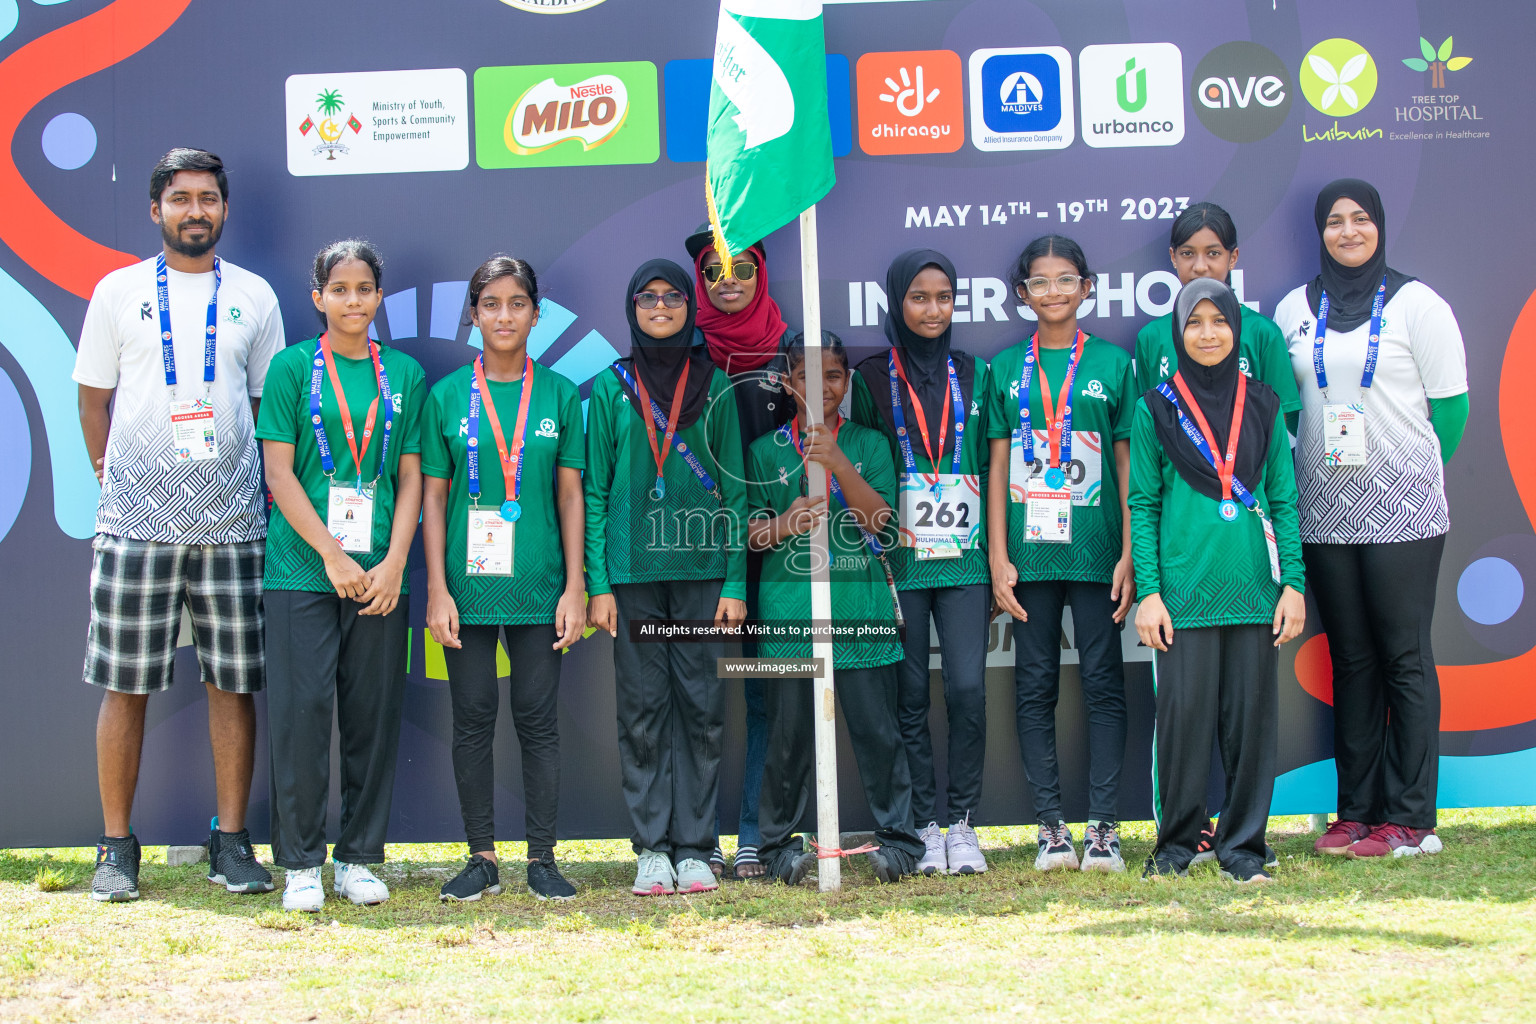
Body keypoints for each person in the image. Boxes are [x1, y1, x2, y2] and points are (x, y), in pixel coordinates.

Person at [74, 148, 284, 902]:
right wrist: (112, 477)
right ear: (155, 210)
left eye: (207, 199)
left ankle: (229, 841)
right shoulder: (118, 291)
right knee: (124, 684)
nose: (194, 210)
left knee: (233, 683)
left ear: (225, 211)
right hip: (135, 523)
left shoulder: (255, 296)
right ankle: (115, 847)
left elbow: (269, 410)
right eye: (180, 198)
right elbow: (93, 399)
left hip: (232, 523)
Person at [1272, 179, 1469, 859]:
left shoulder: (1419, 305)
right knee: (1351, 662)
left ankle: (1412, 819)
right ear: (1320, 232)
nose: (1348, 231)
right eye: (1334, 221)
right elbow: (1291, 411)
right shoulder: (1295, 306)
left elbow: (1451, 413)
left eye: (1360, 219)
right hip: (1324, 514)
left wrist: (1401, 474)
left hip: (1404, 511)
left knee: (1404, 659)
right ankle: (1356, 812)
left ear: (1380, 226)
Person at [256, 240, 426, 912]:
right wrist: (330, 552)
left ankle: (359, 858)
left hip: (382, 574)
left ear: (379, 297)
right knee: (300, 718)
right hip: (303, 569)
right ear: (318, 296)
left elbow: (412, 477)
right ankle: (300, 864)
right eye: (340, 288)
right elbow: (277, 473)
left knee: (373, 717)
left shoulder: (404, 375)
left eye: (365, 289)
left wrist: (393, 564)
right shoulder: (293, 369)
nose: (353, 300)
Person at [1135, 202, 1300, 866]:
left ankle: (1243, 847)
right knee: (1182, 726)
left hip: (1256, 591)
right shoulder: (1156, 409)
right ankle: (1176, 845)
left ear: (1237, 326)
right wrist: (1150, 593)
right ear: (1177, 331)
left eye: (1219, 321)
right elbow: (1141, 504)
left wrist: (1294, 584)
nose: (1207, 333)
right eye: (1193, 323)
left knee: (1251, 728)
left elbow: (1286, 503)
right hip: (1184, 591)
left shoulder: (1261, 406)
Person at [422, 257, 587, 903]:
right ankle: (481, 857)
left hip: (542, 589)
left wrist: (574, 586)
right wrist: (437, 588)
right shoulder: (444, 397)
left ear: (536, 315)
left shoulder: (559, 394)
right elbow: (434, 500)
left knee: (539, 722)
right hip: (465, 590)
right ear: (474, 314)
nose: (504, 315)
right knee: (471, 720)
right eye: (490, 303)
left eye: (517, 303)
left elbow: (571, 497)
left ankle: (542, 858)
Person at [585, 259, 749, 896]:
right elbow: (595, 491)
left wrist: (735, 583)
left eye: (672, 296)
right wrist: (598, 584)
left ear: (689, 306)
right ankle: (652, 847)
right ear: (631, 308)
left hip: (704, 574)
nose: (660, 307)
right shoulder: (611, 387)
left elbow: (737, 494)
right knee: (643, 709)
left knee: (704, 708)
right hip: (632, 576)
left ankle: (696, 846)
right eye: (647, 297)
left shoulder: (717, 384)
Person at [984, 236, 1135, 873]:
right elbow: (995, 467)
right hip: (1028, 557)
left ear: (1087, 287)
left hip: (1099, 553)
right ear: (1022, 293)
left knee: (1104, 684)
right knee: (1034, 686)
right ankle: (1051, 828)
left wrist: (1131, 551)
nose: (1053, 292)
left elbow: (1128, 465)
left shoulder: (1112, 363)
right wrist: (997, 554)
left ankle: (1103, 827)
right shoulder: (1002, 368)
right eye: (1040, 282)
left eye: (1066, 280)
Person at [750, 331, 924, 885]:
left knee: (879, 734)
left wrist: (838, 461)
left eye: (833, 376)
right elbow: (750, 536)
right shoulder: (762, 451)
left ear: (846, 382)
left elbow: (884, 526)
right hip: (789, 615)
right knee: (787, 738)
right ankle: (777, 847)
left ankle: (899, 842)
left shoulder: (870, 444)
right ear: (786, 381)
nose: (821, 387)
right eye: (807, 376)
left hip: (861, 609)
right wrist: (790, 521)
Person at [850, 249, 992, 875]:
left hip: (965, 560)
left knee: (966, 689)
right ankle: (924, 825)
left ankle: (962, 823)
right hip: (898, 561)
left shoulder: (976, 372)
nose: (933, 310)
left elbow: (994, 466)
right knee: (907, 695)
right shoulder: (868, 377)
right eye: (919, 297)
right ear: (896, 302)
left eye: (944, 297)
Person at [685, 224, 795, 880]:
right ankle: (696, 839)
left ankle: (759, 830)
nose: (729, 283)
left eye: (742, 271)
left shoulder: (790, 355)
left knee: (768, 695)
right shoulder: (686, 358)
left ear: (762, 276)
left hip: (778, 553)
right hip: (700, 553)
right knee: (694, 696)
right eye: (714, 272)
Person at [1135, 202, 1302, 424]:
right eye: (1187, 253)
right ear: (1173, 257)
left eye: (1213, 253)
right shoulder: (1152, 337)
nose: (1200, 266)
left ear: (1233, 258)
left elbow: (1278, 425)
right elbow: (1146, 423)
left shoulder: (1263, 333)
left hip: (1246, 460)